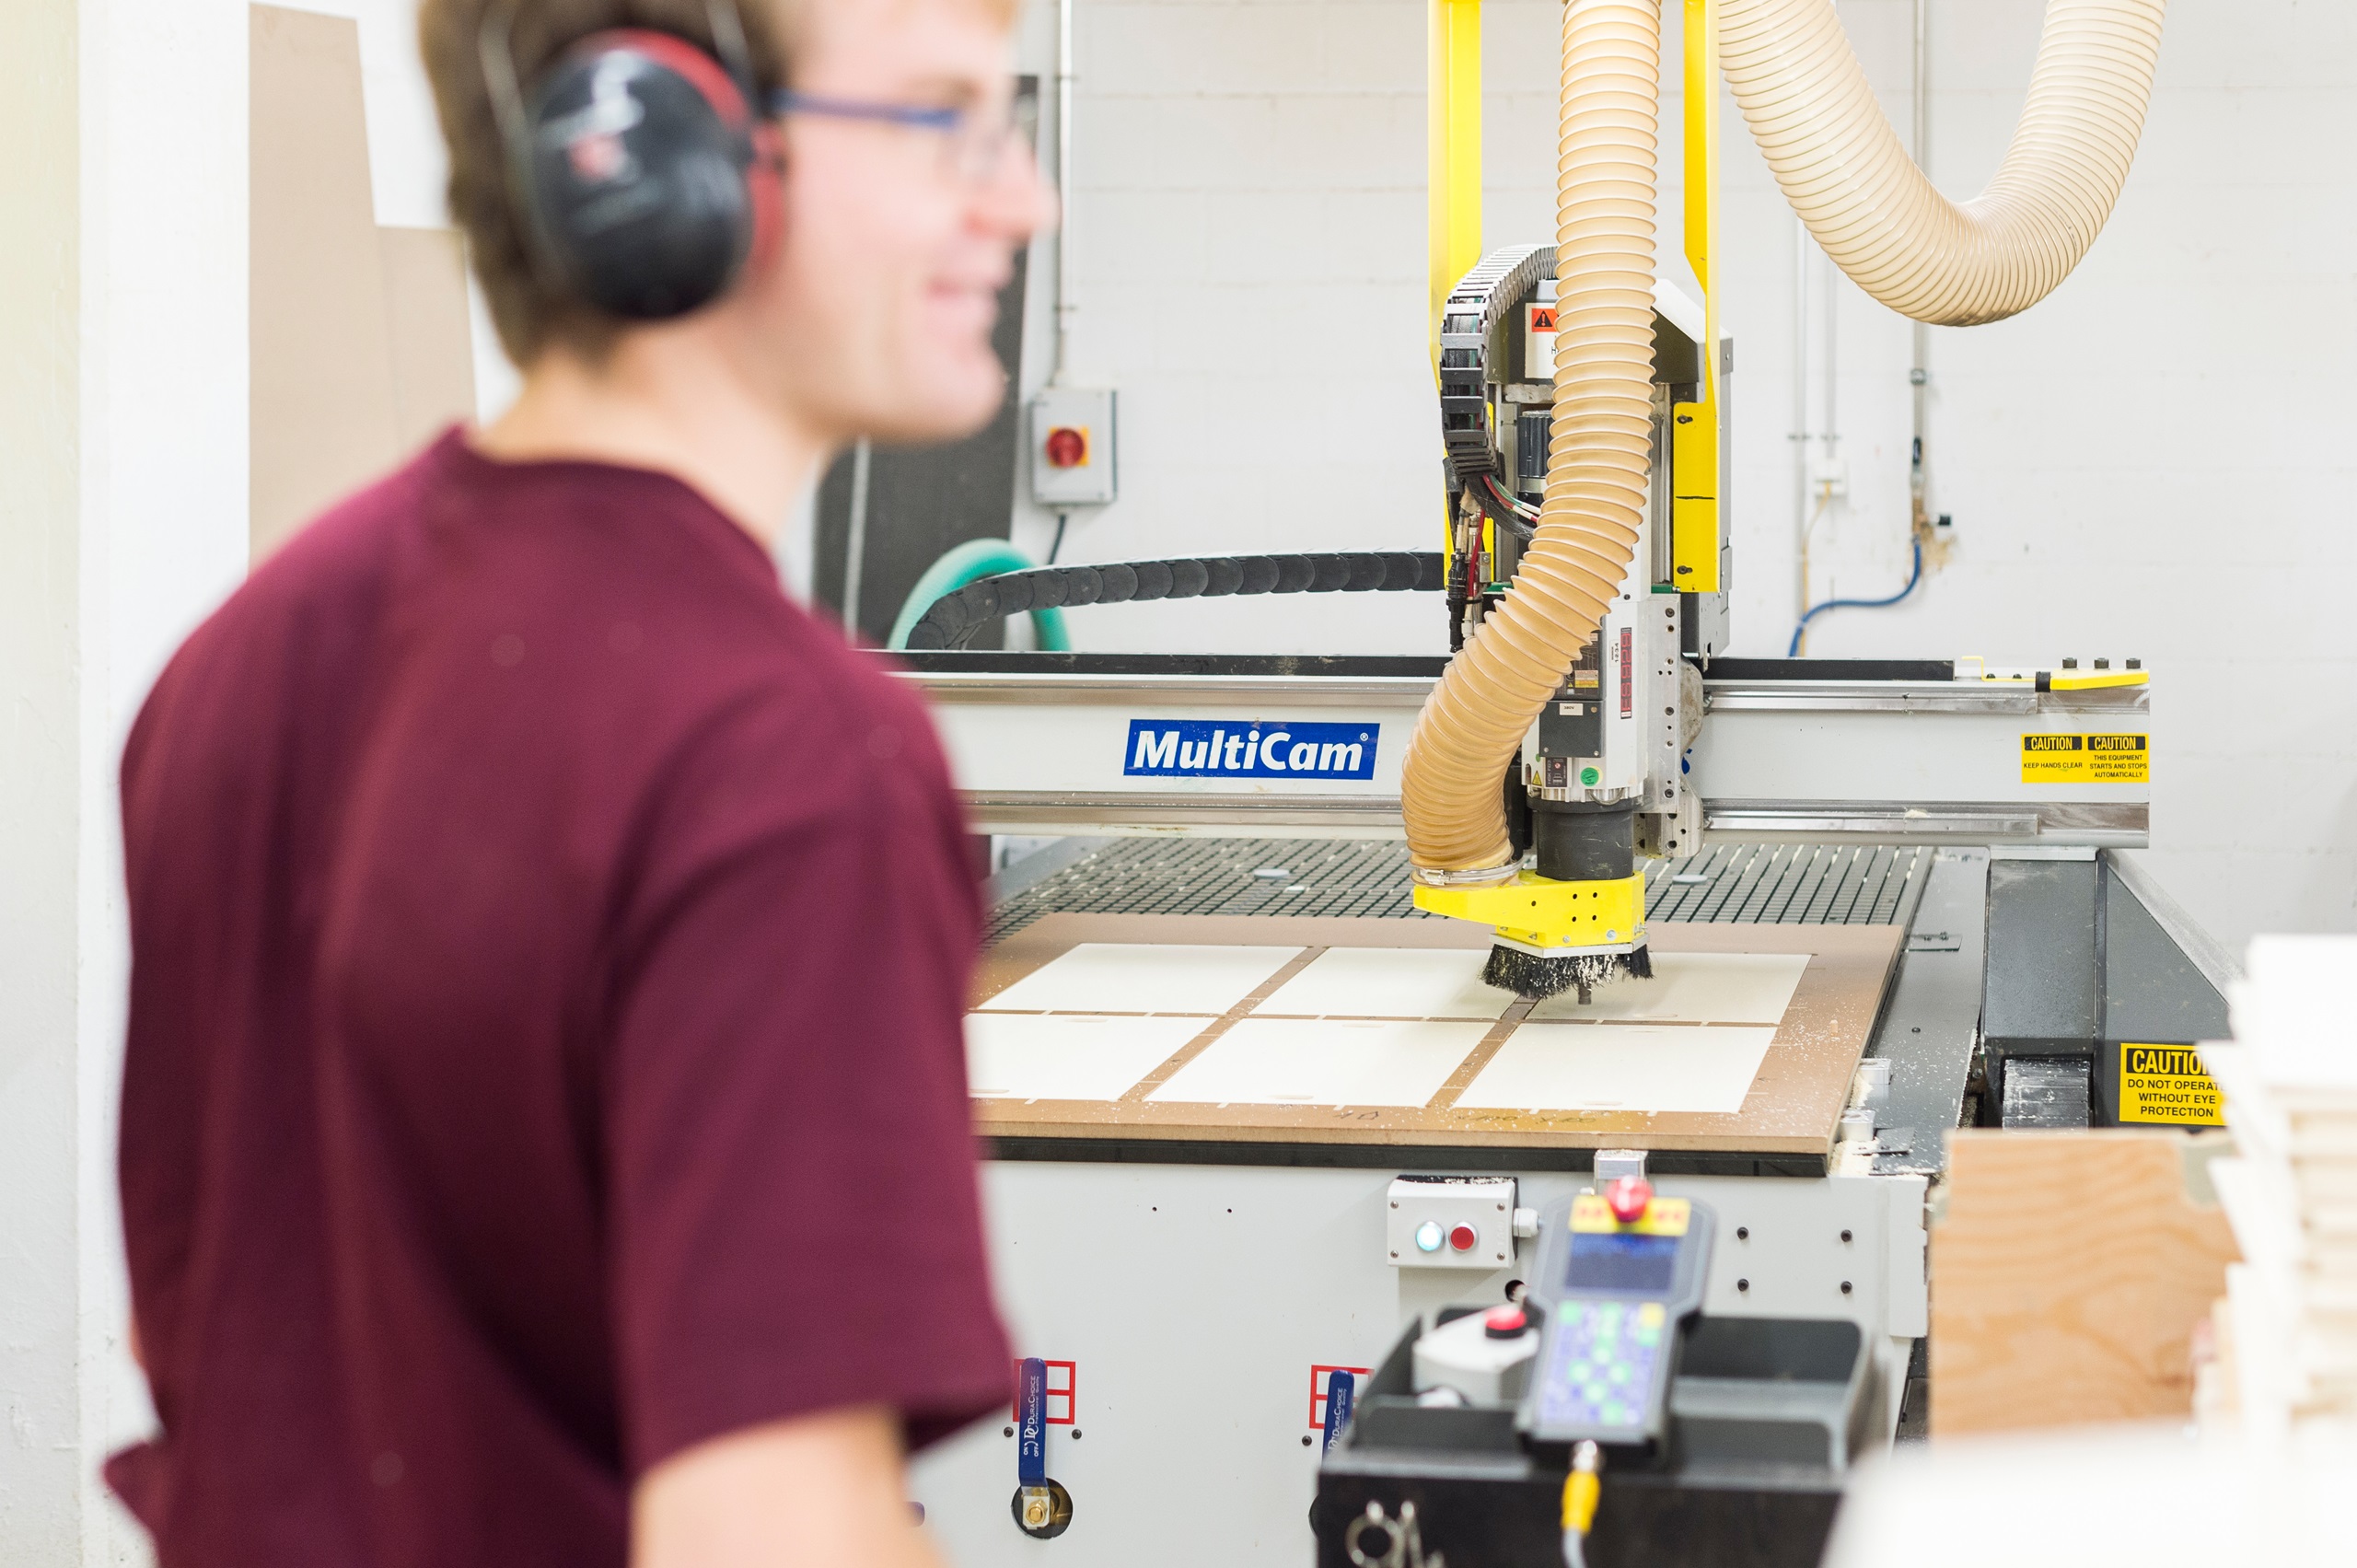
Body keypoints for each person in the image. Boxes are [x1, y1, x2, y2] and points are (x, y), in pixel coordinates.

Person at [109, 0, 1052, 1562]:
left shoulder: (243, 664)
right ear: (671, 136)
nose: (1021, 198)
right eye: (943, 117)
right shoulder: (784, 758)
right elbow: (771, 1538)